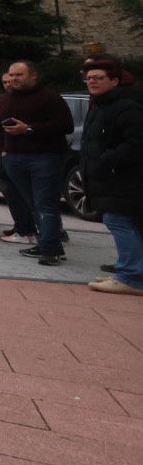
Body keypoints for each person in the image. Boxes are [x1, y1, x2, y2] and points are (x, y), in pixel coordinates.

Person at [0, 60, 75, 266]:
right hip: (14, 158)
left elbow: (66, 125)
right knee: (33, 203)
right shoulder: (6, 100)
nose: (13, 79)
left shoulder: (50, 98)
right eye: (11, 75)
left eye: (19, 75)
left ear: (33, 76)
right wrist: (3, 149)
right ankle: (49, 243)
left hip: (45, 157)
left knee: (45, 203)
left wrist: (29, 129)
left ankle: (50, 250)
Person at [79, 55, 143, 294]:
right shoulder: (100, 105)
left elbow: (136, 142)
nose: (93, 81)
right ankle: (129, 271)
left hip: (123, 178)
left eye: (99, 78)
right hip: (109, 177)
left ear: (115, 81)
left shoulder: (125, 106)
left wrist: (107, 160)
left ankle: (132, 276)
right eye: (89, 78)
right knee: (125, 222)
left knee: (119, 221)